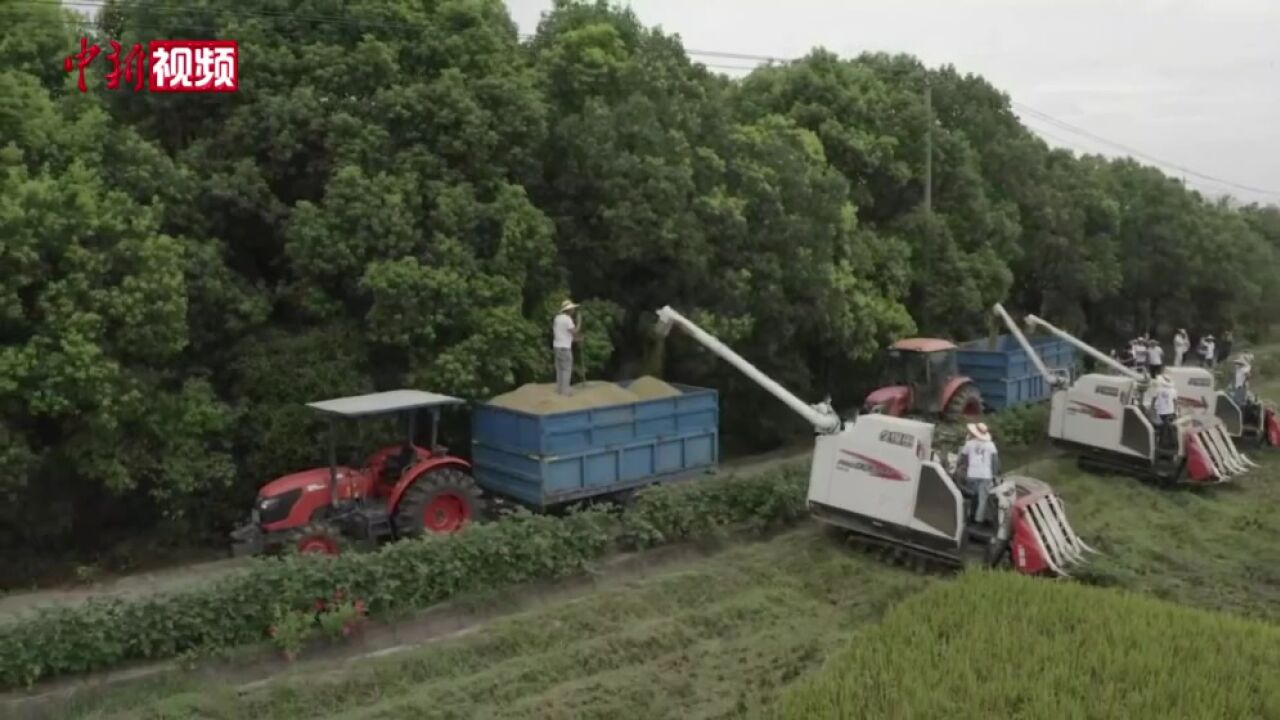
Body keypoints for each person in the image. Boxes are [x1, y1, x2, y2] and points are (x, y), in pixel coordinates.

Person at [957, 422, 999, 525]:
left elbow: (963, 459)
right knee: (982, 499)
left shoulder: (969, 444)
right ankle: (978, 520)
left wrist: (960, 467)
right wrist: (994, 474)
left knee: (972, 496)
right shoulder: (991, 445)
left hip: (972, 474)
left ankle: (969, 517)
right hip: (986, 475)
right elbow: (995, 461)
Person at [552, 299, 581, 395]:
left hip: (557, 347)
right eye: (572, 309)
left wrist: (576, 339)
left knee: (559, 369)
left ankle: (559, 389)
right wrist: (579, 322)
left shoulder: (557, 318)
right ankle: (565, 392)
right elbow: (574, 331)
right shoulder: (568, 319)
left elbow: (564, 333)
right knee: (566, 369)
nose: (573, 310)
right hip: (565, 348)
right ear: (568, 310)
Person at [1149, 373, 1179, 449]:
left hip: (1160, 412)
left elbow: (1153, 400)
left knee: (1162, 428)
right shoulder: (1173, 390)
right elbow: (1175, 402)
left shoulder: (1158, 389)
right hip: (1170, 412)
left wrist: (1152, 409)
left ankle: (1161, 444)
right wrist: (1176, 412)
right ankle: (1167, 444)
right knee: (1167, 428)